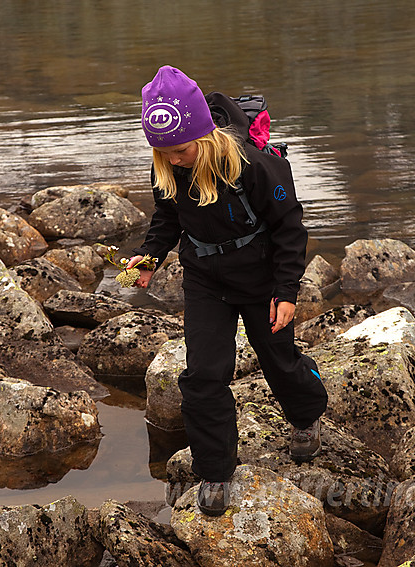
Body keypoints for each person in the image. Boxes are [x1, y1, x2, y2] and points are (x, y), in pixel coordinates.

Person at [126, 65, 329, 516]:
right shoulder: (168, 163)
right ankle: (215, 471)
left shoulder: (255, 166)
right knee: (202, 374)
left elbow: (290, 230)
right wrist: (149, 257)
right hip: (204, 279)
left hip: (260, 279)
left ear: (204, 135)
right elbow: (167, 220)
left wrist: (286, 291)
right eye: (163, 152)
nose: (173, 159)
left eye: (180, 150)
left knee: (277, 358)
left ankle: (307, 414)